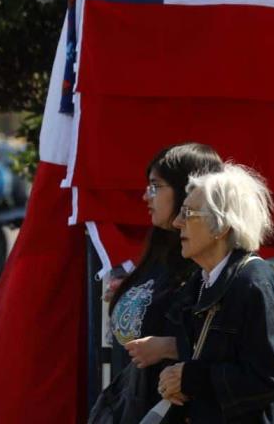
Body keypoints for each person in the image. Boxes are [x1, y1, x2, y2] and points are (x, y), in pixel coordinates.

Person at [158, 164, 274, 423]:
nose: (177, 222)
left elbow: (268, 378)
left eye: (188, 213)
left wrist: (192, 378)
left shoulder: (252, 282)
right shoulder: (198, 283)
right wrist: (175, 380)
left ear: (221, 226)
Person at [93, 143, 223, 424]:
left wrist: (171, 347)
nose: (146, 196)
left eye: (156, 186)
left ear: (186, 189)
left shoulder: (208, 264)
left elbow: (235, 347)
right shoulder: (159, 254)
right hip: (139, 403)